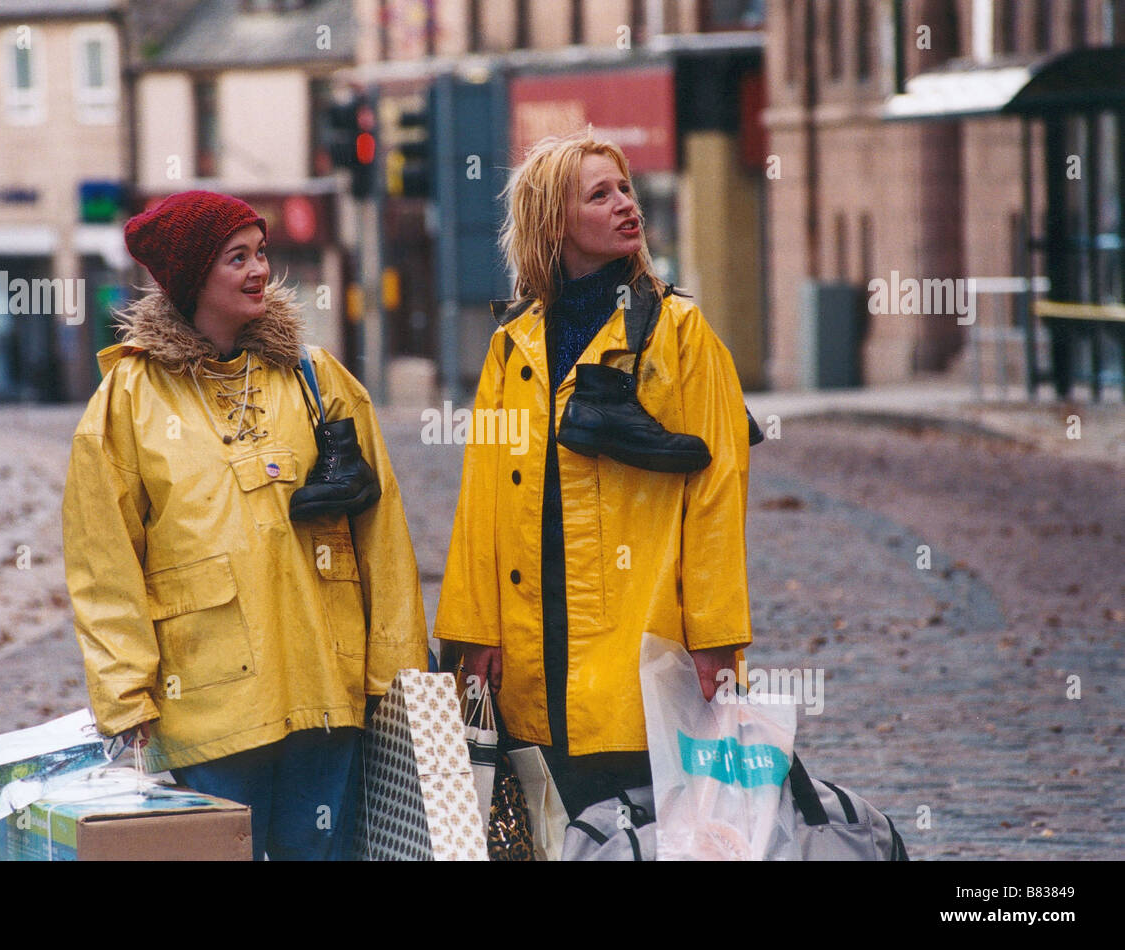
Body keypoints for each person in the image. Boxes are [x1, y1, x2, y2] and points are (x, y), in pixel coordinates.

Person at [62, 190, 428, 860]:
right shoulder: (127, 402)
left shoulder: (319, 380)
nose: (260, 269)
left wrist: (398, 676)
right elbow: (103, 561)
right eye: (237, 258)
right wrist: (126, 699)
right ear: (193, 276)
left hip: (327, 695)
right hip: (207, 709)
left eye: (261, 252)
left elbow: (384, 535)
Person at [434, 132, 754, 825]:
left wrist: (717, 639)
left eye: (625, 189)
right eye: (599, 194)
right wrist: (473, 631)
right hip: (531, 643)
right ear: (554, 221)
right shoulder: (510, 346)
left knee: (650, 829)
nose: (625, 205)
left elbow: (718, 496)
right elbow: (481, 498)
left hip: (644, 640)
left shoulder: (681, 333)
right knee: (556, 830)